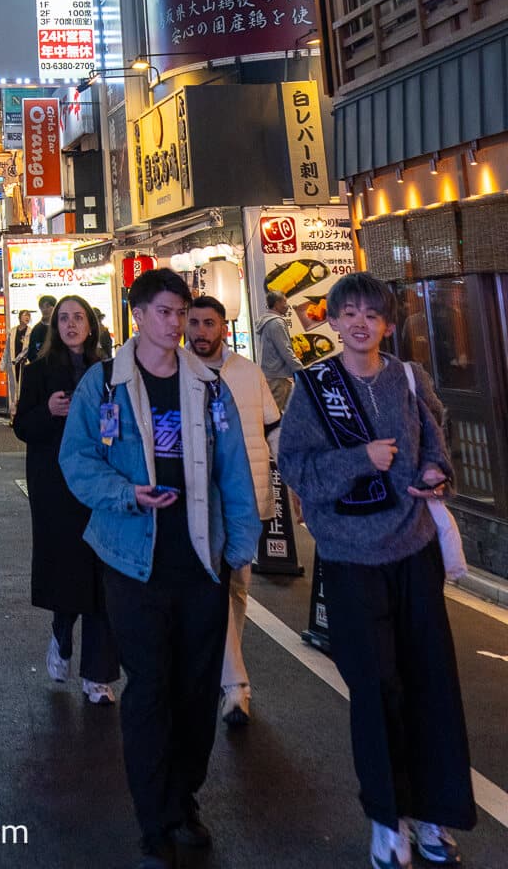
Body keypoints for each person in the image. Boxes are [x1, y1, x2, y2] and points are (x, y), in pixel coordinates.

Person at [60, 267, 260, 869]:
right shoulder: (105, 383)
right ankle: (153, 819)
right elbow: (77, 460)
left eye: (182, 314)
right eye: (166, 313)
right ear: (139, 315)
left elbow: (234, 468)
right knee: (149, 689)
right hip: (131, 561)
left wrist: (240, 544)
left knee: (196, 691)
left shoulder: (210, 387)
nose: (176, 325)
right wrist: (128, 494)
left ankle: (183, 802)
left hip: (200, 559)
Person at [279, 273, 474, 869]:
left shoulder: (409, 378)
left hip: (414, 553)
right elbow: (297, 468)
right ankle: (389, 821)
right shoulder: (313, 388)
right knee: (376, 688)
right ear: (334, 322)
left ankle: (436, 815)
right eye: (349, 313)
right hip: (349, 560)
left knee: (431, 683)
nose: (360, 322)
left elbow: (437, 442)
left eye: (372, 314)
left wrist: (437, 473)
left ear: (388, 324)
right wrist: (359, 459)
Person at [13, 298, 119, 703]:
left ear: (91, 325)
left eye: (78, 318)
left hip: (101, 482)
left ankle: (98, 675)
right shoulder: (39, 371)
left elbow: (119, 423)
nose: (71, 325)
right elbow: (23, 426)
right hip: (55, 485)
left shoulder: (108, 371)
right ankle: (61, 633)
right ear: (55, 327)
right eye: (64, 319)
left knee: (101, 575)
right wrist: (48, 410)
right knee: (67, 570)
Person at [187, 294, 283, 729]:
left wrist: (294, 480)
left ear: (223, 328)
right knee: (215, 585)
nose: (200, 331)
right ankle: (235, 684)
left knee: (238, 588)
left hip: (248, 495)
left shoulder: (248, 372)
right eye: (194, 323)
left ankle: (228, 670)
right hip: (201, 499)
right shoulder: (177, 370)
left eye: (209, 323)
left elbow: (273, 428)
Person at [255, 289, 299, 412]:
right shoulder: (276, 323)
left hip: (271, 374)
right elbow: (286, 350)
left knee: (282, 412)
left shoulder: (266, 321)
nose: (287, 305)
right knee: (275, 414)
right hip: (278, 376)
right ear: (277, 304)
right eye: (284, 302)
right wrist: (301, 370)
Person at [26, 295, 58, 366]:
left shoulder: (60, 327)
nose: (44, 309)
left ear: (55, 307)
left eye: (48, 306)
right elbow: (31, 353)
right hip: (41, 368)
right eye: (42, 307)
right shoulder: (36, 329)